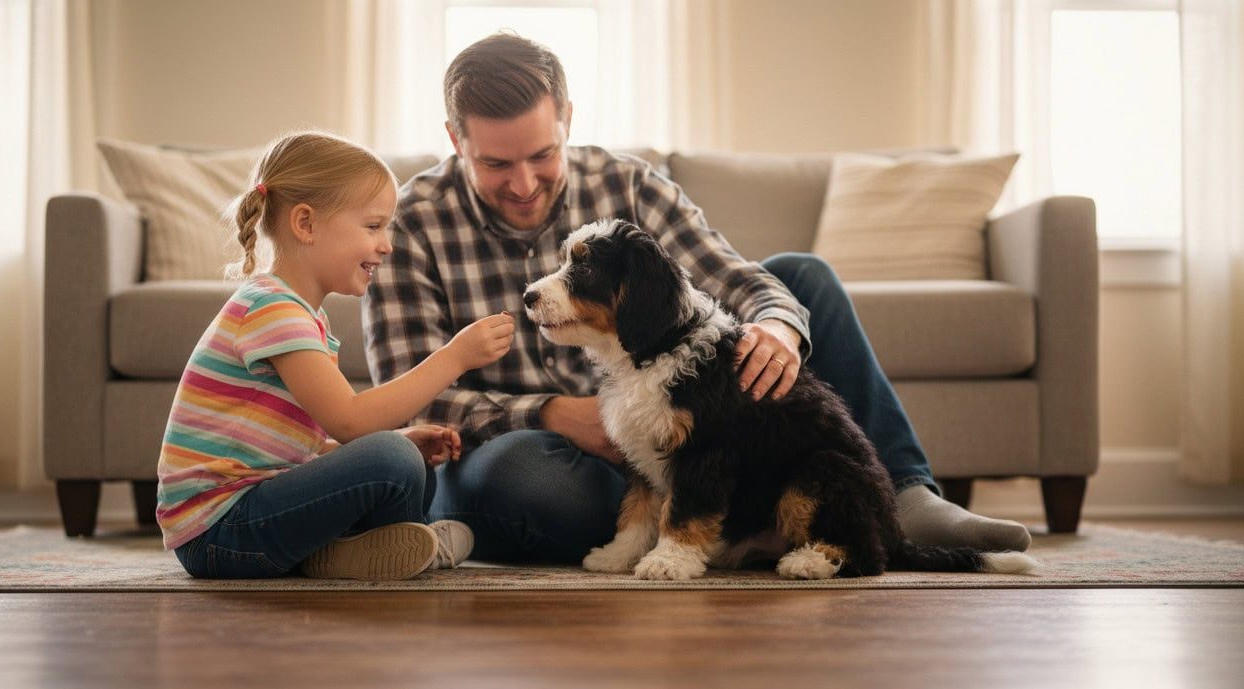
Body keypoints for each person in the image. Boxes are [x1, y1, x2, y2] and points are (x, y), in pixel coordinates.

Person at [364, 33, 1032, 565]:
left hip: (679, 435)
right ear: (455, 139)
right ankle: (699, 527)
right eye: (495, 164)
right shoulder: (413, 222)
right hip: (551, 455)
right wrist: (552, 414)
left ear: (567, 119)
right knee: (516, 479)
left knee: (800, 280)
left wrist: (778, 326)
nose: (523, 183)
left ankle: (903, 496)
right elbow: (409, 394)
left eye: (542, 154)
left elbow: (731, 276)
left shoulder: (627, 183)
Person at [157, 130, 516, 580]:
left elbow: (294, 447)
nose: (387, 244)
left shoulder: (301, 314)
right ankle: (396, 540)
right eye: (373, 226)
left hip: (247, 516)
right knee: (391, 458)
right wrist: (454, 358)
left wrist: (400, 439)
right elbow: (349, 420)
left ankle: (351, 551)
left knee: (410, 462)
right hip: (220, 531)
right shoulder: (272, 309)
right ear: (306, 224)